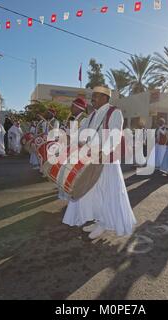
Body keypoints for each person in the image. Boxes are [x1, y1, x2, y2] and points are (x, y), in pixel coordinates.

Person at [62, 86, 136, 240]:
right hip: (90, 160)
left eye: (95, 96)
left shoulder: (114, 112)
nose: (92, 99)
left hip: (106, 160)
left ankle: (104, 223)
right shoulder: (91, 116)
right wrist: (69, 139)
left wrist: (104, 152)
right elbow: (81, 135)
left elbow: (115, 134)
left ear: (104, 97)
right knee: (92, 192)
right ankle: (98, 220)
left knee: (106, 193)